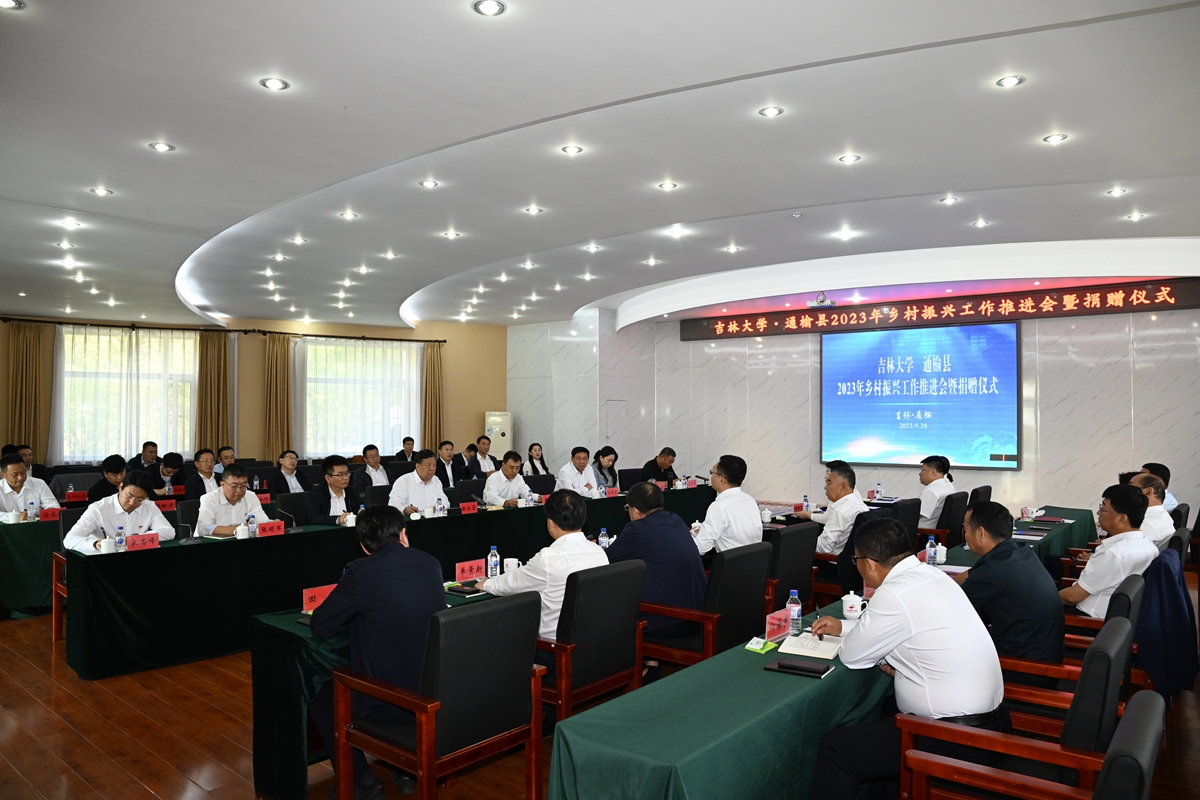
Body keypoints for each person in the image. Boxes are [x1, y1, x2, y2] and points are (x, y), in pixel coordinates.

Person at [811, 518, 1007, 800]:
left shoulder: (893, 593)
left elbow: (853, 656)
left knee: (837, 750)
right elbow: (908, 629)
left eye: (856, 560)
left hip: (955, 738)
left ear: (869, 564)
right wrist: (844, 627)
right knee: (885, 710)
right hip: (992, 724)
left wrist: (863, 641)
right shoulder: (931, 575)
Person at [309, 505, 444, 799]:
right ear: (403, 535)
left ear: (363, 546)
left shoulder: (361, 571)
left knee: (321, 701)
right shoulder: (430, 562)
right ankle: (405, 772)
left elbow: (321, 625)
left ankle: (363, 784)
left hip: (389, 702)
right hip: (435, 691)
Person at [953, 501, 1064, 688]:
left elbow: (951, 608)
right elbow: (968, 576)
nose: (965, 535)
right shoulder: (1019, 551)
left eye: (966, 529)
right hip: (1044, 659)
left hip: (1025, 671)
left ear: (981, 533)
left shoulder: (993, 570)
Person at [477, 490, 608, 644]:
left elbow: (511, 583)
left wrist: (486, 584)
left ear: (551, 523)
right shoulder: (599, 553)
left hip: (555, 647)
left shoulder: (548, 559)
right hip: (594, 642)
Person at [607, 482, 707, 636]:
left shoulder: (637, 529)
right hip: (699, 614)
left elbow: (606, 560)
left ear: (635, 511)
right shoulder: (676, 519)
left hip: (668, 620)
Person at [1060, 484, 1158, 618]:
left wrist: (1045, 599)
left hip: (1087, 618)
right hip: (1116, 617)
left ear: (1121, 518)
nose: (1098, 513)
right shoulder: (1149, 546)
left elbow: (1072, 597)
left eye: (1103, 508)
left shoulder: (1113, 553)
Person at [64, 470, 176, 552]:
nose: (132, 502)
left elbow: (169, 532)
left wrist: (135, 539)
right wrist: (95, 544)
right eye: (129, 496)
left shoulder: (149, 507)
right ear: (121, 487)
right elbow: (70, 539)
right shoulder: (98, 508)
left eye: (139, 499)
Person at [690, 455, 761, 554]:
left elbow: (700, 548)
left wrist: (689, 536)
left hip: (732, 562)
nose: (711, 476)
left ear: (721, 479)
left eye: (712, 472)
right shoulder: (750, 500)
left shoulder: (719, 507)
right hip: (754, 561)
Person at [797, 460, 868, 555]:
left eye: (829, 482)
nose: (825, 487)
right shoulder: (861, 505)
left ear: (843, 486)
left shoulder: (840, 512)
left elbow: (823, 548)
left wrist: (799, 541)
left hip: (832, 561)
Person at [196, 464, 271, 535]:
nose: (239, 490)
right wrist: (239, 529)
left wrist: (271, 524)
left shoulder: (250, 496)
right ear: (222, 484)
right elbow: (204, 528)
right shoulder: (209, 499)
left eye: (243, 486)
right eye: (234, 486)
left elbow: (261, 519)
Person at [388, 449, 448, 515]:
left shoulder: (436, 480)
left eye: (434, 465)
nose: (432, 468)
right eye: (428, 465)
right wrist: (404, 509)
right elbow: (393, 504)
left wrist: (442, 506)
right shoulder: (403, 481)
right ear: (418, 466)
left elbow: (444, 500)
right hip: (413, 519)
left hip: (434, 518)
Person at [308, 455, 361, 527]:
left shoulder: (352, 492)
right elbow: (312, 517)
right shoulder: (316, 493)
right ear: (328, 478)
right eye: (340, 475)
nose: (345, 478)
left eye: (347, 473)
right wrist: (338, 519)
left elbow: (360, 513)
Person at [1131, 473, 1175, 550]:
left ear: (1148, 492)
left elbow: (1126, 553)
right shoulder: (1160, 514)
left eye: (1131, 488)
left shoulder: (1146, 525)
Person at [917, 455, 954, 528]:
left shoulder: (930, 491)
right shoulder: (948, 485)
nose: (920, 474)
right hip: (935, 529)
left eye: (922, 470)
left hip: (922, 531)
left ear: (933, 472)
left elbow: (914, 516)